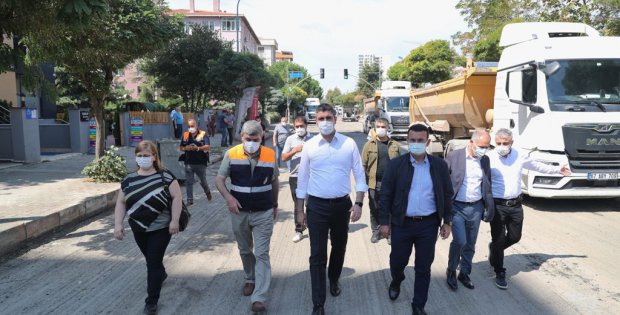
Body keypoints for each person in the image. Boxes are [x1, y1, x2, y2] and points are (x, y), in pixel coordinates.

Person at [295, 104, 368, 315]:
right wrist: (300, 211)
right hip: (316, 206)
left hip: (341, 206)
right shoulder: (309, 146)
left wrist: (359, 202)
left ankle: (334, 278)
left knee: (339, 247)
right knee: (317, 254)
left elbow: (359, 175)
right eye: (320, 118)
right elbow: (302, 180)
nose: (324, 121)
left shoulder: (349, 144)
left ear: (335, 119)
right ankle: (318, 303)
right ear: (315, 121)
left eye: (328, 117)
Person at [379, 124, 453, 315]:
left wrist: (447, 221)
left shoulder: (439, 166)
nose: (416, 143)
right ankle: (397, 280)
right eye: (413, 140)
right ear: (407, 141)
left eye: (420, 140)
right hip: (402, 224)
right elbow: (385, 195)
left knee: (423, 267)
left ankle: (418, 305)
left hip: (428, 225)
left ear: (427, 142)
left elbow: (447, 193)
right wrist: (384, 223)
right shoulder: (396, 165)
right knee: (397, 261)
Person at [488, 128, 570, 290]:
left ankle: (495, 249)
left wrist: (557, 170)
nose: (502, 146)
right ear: (494, 143)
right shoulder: (489, 158)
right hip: (497, 206)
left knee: (515, 237)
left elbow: (537, 166)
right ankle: (500, 271)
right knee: (498, 238)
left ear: (512, 143)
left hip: (516, 205)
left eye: (505, 143)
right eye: (498, 143)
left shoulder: (520, 156)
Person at [215, 120, 279, 313]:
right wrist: (229, 198)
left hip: (263, 211)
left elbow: (275, 181)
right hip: (239, 212)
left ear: (262, 138)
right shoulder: (232, 154)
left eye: (255, 139)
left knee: (261, 253)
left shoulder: (269, 155)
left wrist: (275, 204)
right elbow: (219, 180)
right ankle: (250, 278)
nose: (251, 142)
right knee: (245, 249)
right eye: (248, 139)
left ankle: (259, 296)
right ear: (241, 137)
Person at [114, 140, 182, 315]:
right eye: (139, 156)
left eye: (146, 155)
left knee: (152, 264)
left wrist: (174, 220)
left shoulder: (165, 177)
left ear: (154, 157)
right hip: (138, 228)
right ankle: (162, 273)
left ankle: (151, 301)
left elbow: (177, 198)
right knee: (152, 261)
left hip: (161, 228)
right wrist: (118, 224)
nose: (142, 159)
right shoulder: (128, 179)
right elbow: (121, 202)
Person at [444, 130, 495, 291]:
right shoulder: (454, 156)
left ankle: (464, 272)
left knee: (471, 244)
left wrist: (488, 207)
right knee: (460, 241)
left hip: (476, 207)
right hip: (457, 207)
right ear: (471, 143)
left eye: (486, 147)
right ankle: (451, 270)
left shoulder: (485, 160)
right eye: (481, 146)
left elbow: (487, 184)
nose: (484, 150)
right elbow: (443, 181)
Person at [361, 117, 401, 243]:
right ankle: (376, 232)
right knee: (374, 208)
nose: (381, 129)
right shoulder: (369, 145)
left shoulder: (394, 145)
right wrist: (363, 185)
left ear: (388, 128)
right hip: (374, 183)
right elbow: (363, 165)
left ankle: (389, 233)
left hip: (391, 184)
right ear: (374, 128)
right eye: (378, 127)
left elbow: (400, 165)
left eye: (383, 127)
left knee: (391, 209)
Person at [281, 115, 314, 243]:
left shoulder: (314, 139)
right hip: (295, 177)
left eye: (302, 126)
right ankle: (299, 230)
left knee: (311, 204)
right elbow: (283, 158)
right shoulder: (290, 139)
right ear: (294, 127)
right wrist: (294, 150)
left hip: (311, 177)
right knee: (298, 206)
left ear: (306, 126)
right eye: (297, 126)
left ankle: (313, 228)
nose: (299, 128)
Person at [179, 118, 212, 206]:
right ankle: (190, 200)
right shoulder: (185, 135)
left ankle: (208, 192)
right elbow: (181, 147)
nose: (190, 128)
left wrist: (197, 148)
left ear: (196, 126)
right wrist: (186, 148)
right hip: (188, 162)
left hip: (200, 163)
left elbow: (208, 147)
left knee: (202, 181)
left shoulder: (203, 134)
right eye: (189, 126)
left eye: (192, 126)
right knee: (189, 182)